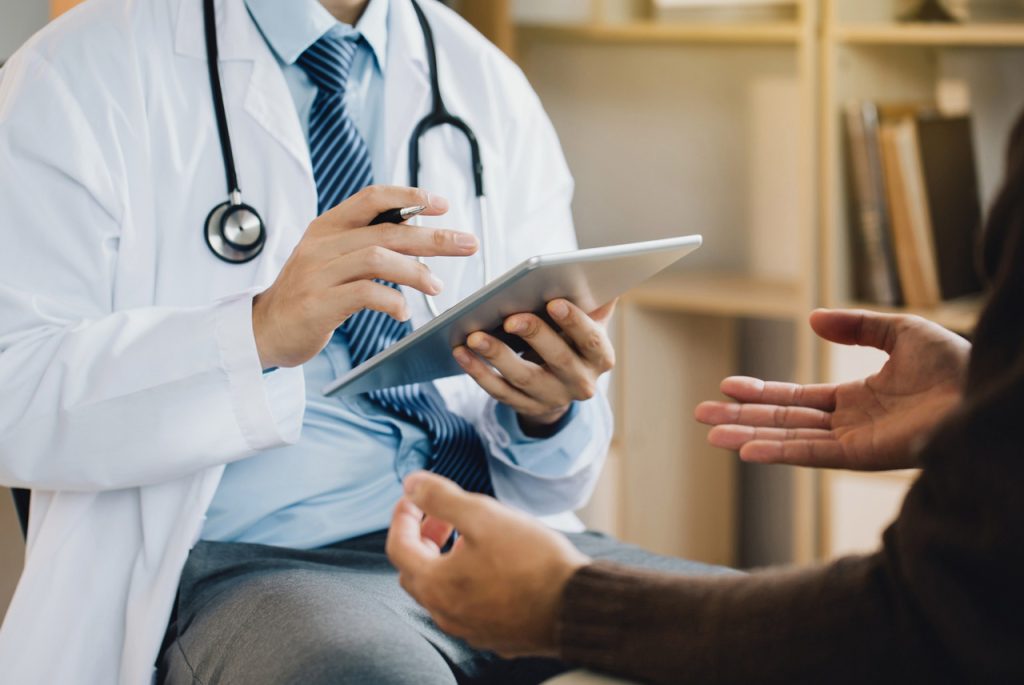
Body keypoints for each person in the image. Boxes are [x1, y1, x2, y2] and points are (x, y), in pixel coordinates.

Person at [0, 0, 723, 682]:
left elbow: (560, 473)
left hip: (502, 543)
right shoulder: (77, 74)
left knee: (783, 636)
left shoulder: (484, 80)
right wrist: (255, 331)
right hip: (269, 565)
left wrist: (547, 409)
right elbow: (12, 388)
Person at [387, 112, 1024, 683]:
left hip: (493, 530)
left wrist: (570, 606)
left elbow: (944, 616)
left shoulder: (486, 81)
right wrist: (989, 403)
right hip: (306, 555)